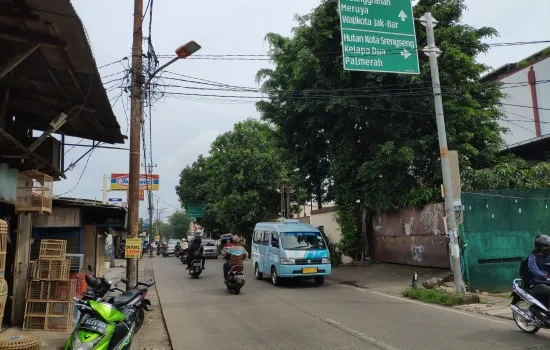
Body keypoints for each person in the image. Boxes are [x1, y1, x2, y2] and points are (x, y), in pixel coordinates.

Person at [527, 235, 550, 306]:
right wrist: (544, 276)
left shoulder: (548, 257)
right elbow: (534, 269)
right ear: (538, 247)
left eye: (548, 247)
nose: (547, 249)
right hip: (537, 284)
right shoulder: (533, 257)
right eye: (545, 247)